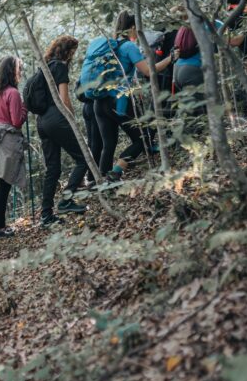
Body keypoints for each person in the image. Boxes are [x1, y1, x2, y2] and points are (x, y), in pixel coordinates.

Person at [93, 12, 176, 180]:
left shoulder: (109, 45)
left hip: (99, 101)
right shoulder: (128, 47)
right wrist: (171, 58)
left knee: (108, 145)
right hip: (118, 101)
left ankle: (100, 184)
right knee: (142, 138)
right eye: (136, 30)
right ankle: (115, 173)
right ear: (132, 28)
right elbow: (148, 71)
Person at [35, 35, 88, 226]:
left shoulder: (45, 67)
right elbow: (64, 99)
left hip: (41, 121)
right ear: (68, 51)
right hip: (57, 118)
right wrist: (73, 121)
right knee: (84, 158)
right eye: (73, 51)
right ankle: (66, 200)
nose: (74, 55)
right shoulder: (60, 67)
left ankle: (46, 216)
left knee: (53, 169)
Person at [0, 56, 27, 240]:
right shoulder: (13, 93)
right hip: (7, 143)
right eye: (19, 68)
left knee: (3, 185)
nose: (21, 72)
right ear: (12, 71)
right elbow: (17, 121)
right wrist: (25, 109)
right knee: (4, 187)